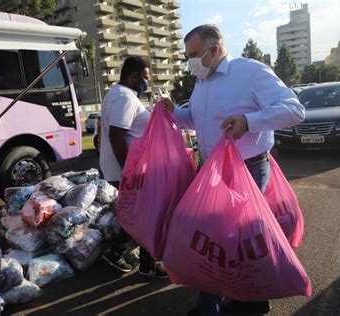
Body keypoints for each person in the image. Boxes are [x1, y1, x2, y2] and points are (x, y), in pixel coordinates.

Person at [162, 24, 305, 315]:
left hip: (248, 170)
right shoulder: (203, 82)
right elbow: (195, 120)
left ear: (214, 50)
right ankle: (227, 301)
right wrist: (173, 112)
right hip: (212, 172)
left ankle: (239, 302)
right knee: (215, 240)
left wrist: (249, 121)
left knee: (236, 240)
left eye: (193, 54)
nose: (189, 62)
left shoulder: (250, 72)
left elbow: (294, 109)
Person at [99, 56, 167, 278]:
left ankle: (124, 253)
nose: (146, 82)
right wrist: (129, 172)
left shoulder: (117, 94)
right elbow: (117, 135)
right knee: (147, 216)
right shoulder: (125, 98)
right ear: (134, 76)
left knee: (139, 216)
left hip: (126, 169)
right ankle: (141, 261)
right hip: (129, 171)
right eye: (145, 78)